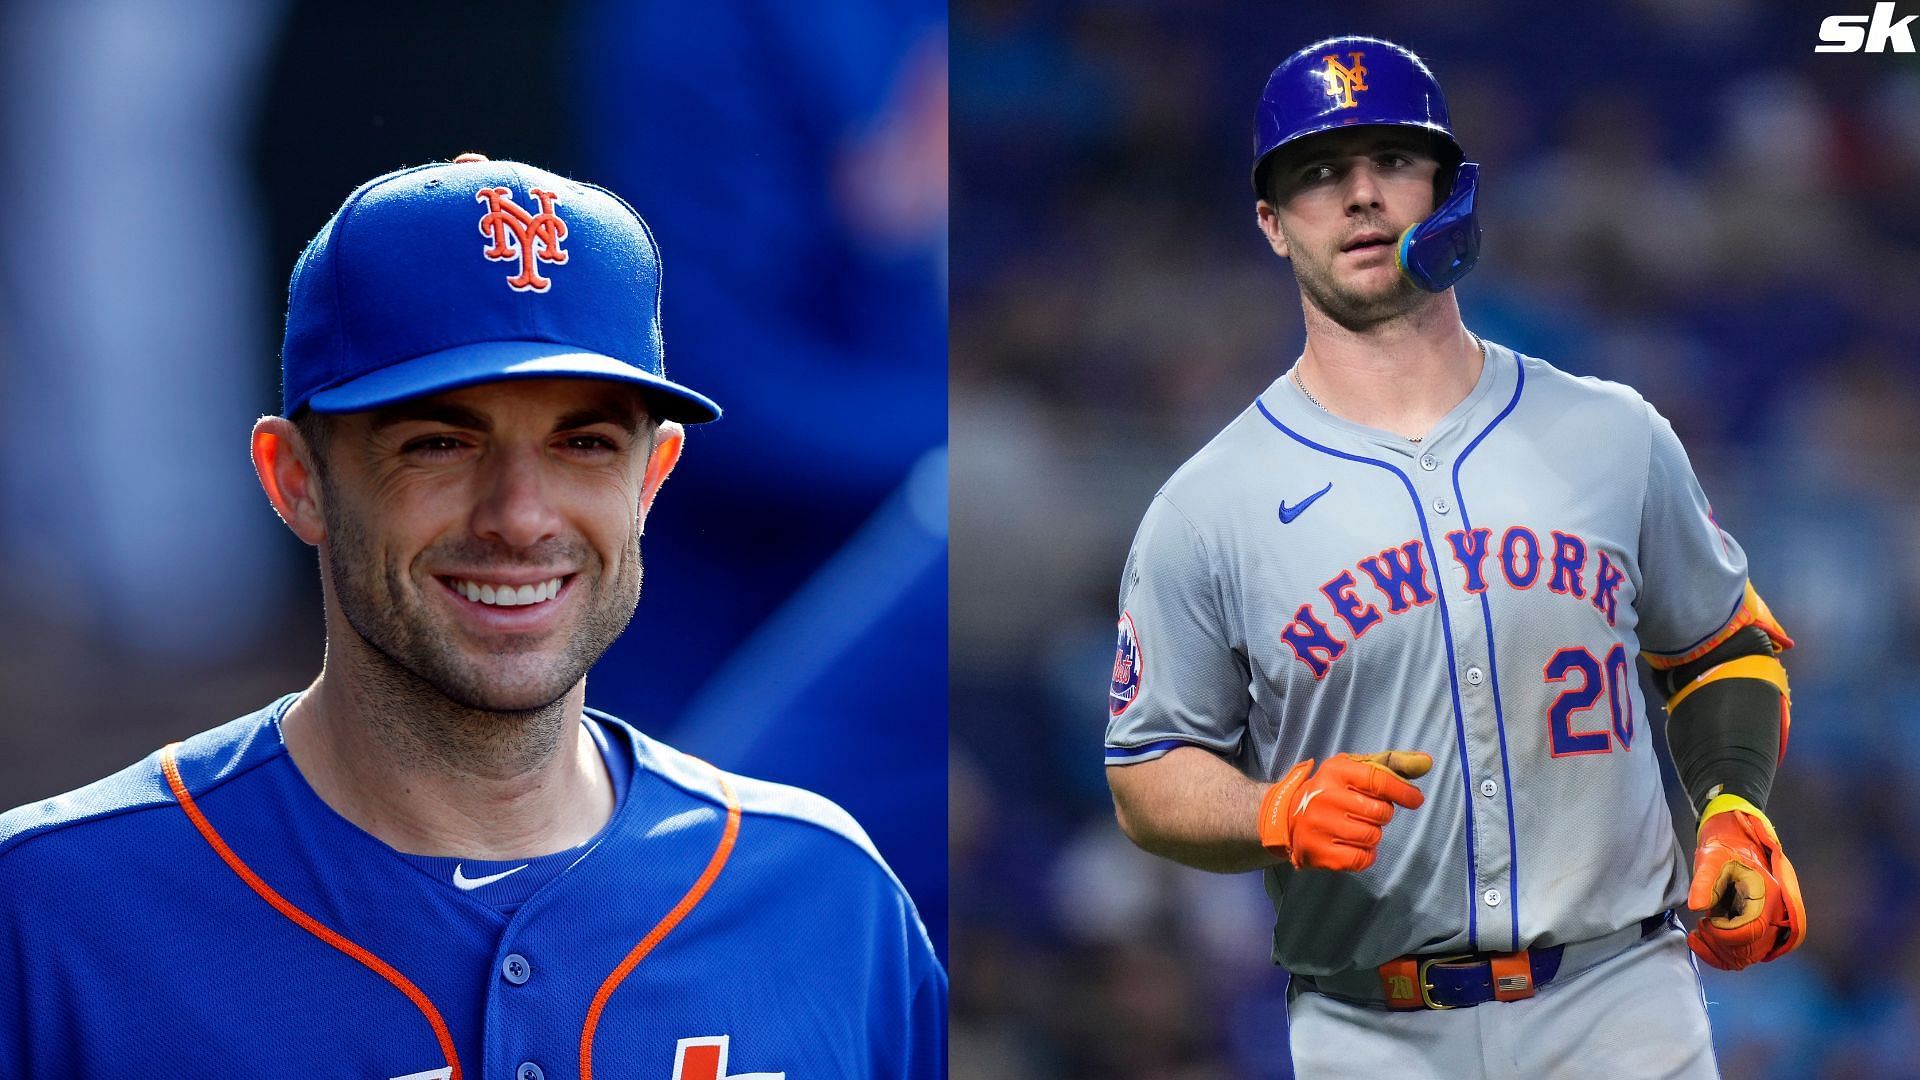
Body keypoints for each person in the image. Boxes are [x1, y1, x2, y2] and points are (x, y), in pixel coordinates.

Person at [0, 155, 944, 1079]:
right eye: (441, 443)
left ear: (652, 479)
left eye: (584, 443)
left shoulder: (828, 902)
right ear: (299, 482)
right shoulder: (48, 915)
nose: (520, 516)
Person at [1103, 37, 1803, 1078]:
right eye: (1318, 173)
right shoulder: (1208, 506)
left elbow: (1722, 646)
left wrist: (1735, 807)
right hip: (1368, 1025)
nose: (1359, 196)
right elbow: (1147, 772)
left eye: (1391, 159)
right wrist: (1271, 810)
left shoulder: (1611, 432)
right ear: (1271, 222)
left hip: (1622, 1001)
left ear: (1447, 187)